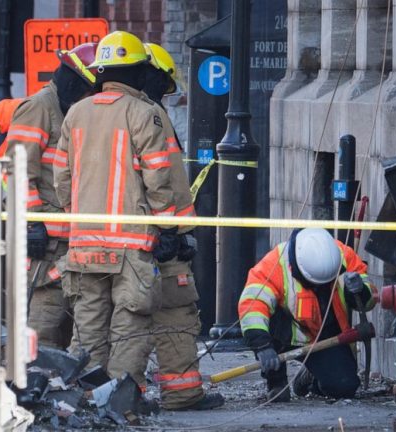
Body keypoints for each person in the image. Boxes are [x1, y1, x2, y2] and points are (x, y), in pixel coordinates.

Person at [54, 31, 178, 388]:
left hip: (84, 244)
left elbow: (61, 176)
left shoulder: (76, 113)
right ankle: (121, 401)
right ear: (138, 71)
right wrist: (167, 227)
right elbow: (158, 177)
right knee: (129, 324)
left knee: (88, 322)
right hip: (131, 244)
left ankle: (84, 401)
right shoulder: (144, 113)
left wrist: (76, 216)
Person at [138, 41, 224, 410]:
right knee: (174, 308)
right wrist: (174, 231)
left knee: (124, 315)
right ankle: (182, 393)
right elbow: (163, 179)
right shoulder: (149, 115)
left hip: (127, 235)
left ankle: (127, 395)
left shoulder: (99, 113)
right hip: (159, 234)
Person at [5, 42, 97, 349]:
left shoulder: (72, 110)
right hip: (47, 239)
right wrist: (33, 223)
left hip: (74, 236)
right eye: (88, 89)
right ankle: (34, 381)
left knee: (75, 323)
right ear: (73, 81)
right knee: (45, 319)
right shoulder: (39, 107)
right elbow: (16, 170)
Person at [238, 228, 377, 402]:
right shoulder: (275, 264)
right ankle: (277, 382)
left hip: (323, 337)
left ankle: (310, 378)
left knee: (344, 387)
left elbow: (369, 302)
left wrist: (360, 290)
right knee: (267, 321)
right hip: (283, 335)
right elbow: (252, 306)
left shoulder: (342, 256)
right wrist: (262, 347)